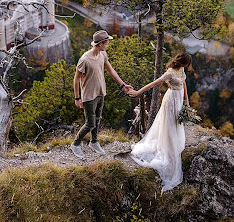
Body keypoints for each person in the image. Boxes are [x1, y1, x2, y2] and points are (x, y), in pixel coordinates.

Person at [128, 52, 191, 191]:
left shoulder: (181, 69)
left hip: (179, 99)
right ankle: (168, 148)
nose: (186, 66)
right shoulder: (169, 72)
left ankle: (172, 145)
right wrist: (138, 92)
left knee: (176, 124)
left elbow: (184, 82)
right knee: (169, 125)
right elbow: (154, 83)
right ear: (182, 62)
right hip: (171, 100)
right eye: (186, 64)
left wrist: (186, 100)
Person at [70, 30, 133, 159]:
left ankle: (94, 142)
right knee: (90, 123)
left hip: (100, 92)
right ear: (99, 44)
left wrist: (123, 85)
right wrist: (77, 98)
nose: (108, 44)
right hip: (88, 96)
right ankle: (75, 144)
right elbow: (76, 79)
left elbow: (111, 70)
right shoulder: (84, 60)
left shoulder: (103, 54)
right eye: (107, 42)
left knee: (97, 119)